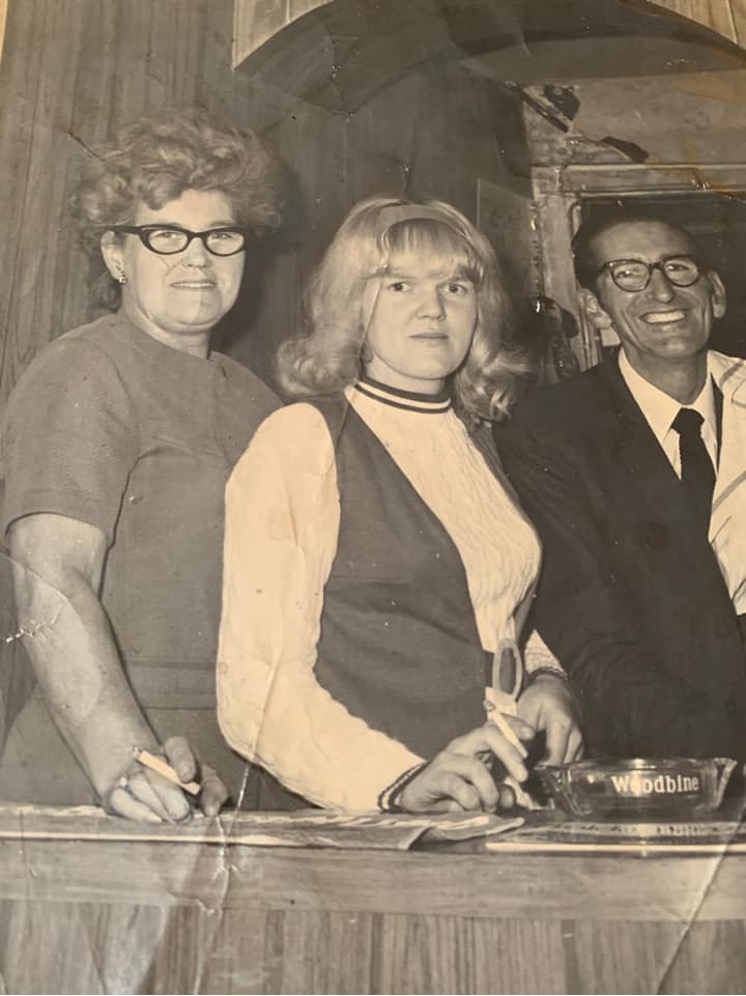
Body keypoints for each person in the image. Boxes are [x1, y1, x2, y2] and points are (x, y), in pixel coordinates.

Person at [217, 195, 583, 813]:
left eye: (456, 286)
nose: (433, 309)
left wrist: (548, 679)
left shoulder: (480, 436)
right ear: (353, 303)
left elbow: (492, 603)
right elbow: (255, 690)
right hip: (369, 813)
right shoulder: (305, 440)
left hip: (495, 799)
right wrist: (398, 782)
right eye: (399, 285)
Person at [0, 109, 284, 821]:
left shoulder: (254, 397)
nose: (199, 258)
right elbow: (50, 576)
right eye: (166, 236)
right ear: (117, 255)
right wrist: (125, 761)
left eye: (221, 236)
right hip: (115, 773)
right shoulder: (86, 370)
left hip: (245, 755)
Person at [497, 207, 746, 762]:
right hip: (660, 757)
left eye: (678, 269)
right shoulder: (549, 430)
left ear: (716, 294)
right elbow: (591, 638)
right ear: (595, 308)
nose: (661, 292)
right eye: (628, 274)